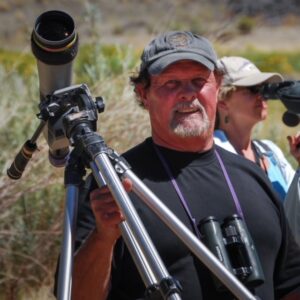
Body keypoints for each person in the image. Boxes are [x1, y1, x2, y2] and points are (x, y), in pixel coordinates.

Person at [67, 32, 300, 300]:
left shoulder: (254, 177)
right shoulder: (114, 184)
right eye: (171, 83)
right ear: (143, 93)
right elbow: (77, 295)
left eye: (198, 81)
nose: (187, 94)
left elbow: (290, 284)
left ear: (218, 86)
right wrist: (103, 237)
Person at [214, 56, 300, 201]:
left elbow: (293, 213)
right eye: (253, 89)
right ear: (222, 101)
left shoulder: (270, 151)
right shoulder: (213, 153)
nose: (263, 96)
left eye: (264, 88)